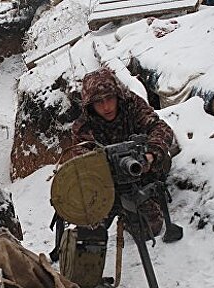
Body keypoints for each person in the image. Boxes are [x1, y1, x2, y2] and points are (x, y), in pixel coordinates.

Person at [71, 66, 182, 244]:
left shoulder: (132, 105)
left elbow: (161, 129)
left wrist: (150, 155)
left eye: (109, 98)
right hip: (107, 186)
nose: (106, 107)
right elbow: (81, 163)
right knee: (88, 236)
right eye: (99, 102)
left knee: (149, 228)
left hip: (141, 176)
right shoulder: (84, 127)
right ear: (90, 105)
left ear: (117, 95)